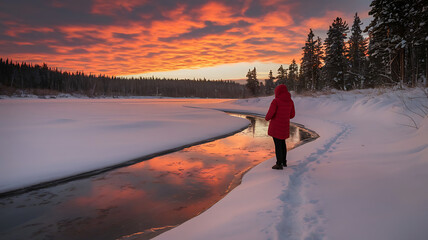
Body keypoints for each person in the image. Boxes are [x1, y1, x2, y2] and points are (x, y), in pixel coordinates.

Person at [265, 84, 295, 170]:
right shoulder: (290, 101)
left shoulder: (276, 101)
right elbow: (292, 115)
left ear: (277, 92)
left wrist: (267, 118)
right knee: (282, 144)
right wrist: (284, 116)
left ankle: (279, 164)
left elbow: (270, 114)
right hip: (284, 127)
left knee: (278, 145)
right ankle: (284, 162)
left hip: (276, 127)